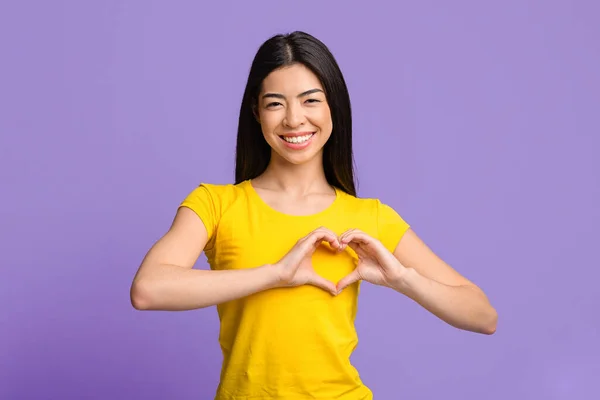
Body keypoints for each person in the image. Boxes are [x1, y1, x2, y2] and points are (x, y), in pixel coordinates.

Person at [130, 31, 497, 400]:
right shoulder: (216, 203)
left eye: (310, 101)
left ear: (332, 107)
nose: (294, 119)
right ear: (256, 112)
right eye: (275, 104)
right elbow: (148, 289)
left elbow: (482, 316)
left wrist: (402, 278)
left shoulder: (369, 216)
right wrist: (275, 275)